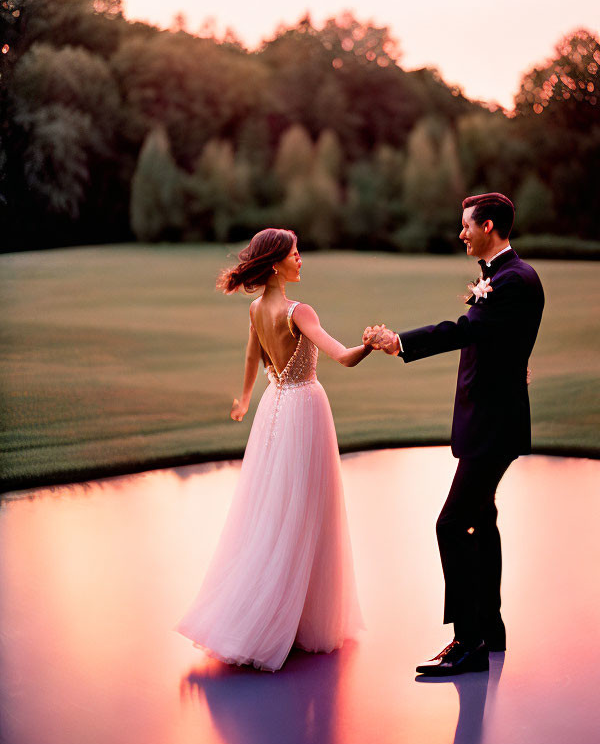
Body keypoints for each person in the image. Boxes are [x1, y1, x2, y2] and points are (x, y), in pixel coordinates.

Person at [364, 193, 544, 676]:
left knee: (450, 525)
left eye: (466, 226)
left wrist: (401, 341)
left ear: (488, 226)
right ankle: (492, 629)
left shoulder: (512, 281)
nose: (460, 233)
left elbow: (465, 331)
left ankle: (468, 642)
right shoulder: (501, 277)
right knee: (481, 523)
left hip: (494, 424)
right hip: (488, 419)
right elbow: (496, 343)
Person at [175, 228, 370, 671]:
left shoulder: (256, 308)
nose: (301, 260)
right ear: (277, 262)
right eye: (295, 254)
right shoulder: (298, 311)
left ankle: (282, 614)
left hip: (273, 408)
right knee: (306, 511)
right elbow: (341, 356)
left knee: (274, 508)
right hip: (304, 407)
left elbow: (251, 358)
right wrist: (371, 346)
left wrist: (245, 400)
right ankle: (289, 621)